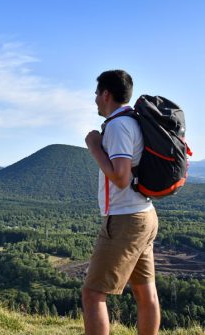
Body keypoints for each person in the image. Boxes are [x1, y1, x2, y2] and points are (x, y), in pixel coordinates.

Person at [83, 70, 160, 335]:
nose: (94, 99)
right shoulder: (135, 122)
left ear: (106, 94)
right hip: (144, 214)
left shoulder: (117, 126)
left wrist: (94, 145)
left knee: (93, 294)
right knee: (144, 291)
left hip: (125, 219)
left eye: (96, 93)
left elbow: (120, 176)